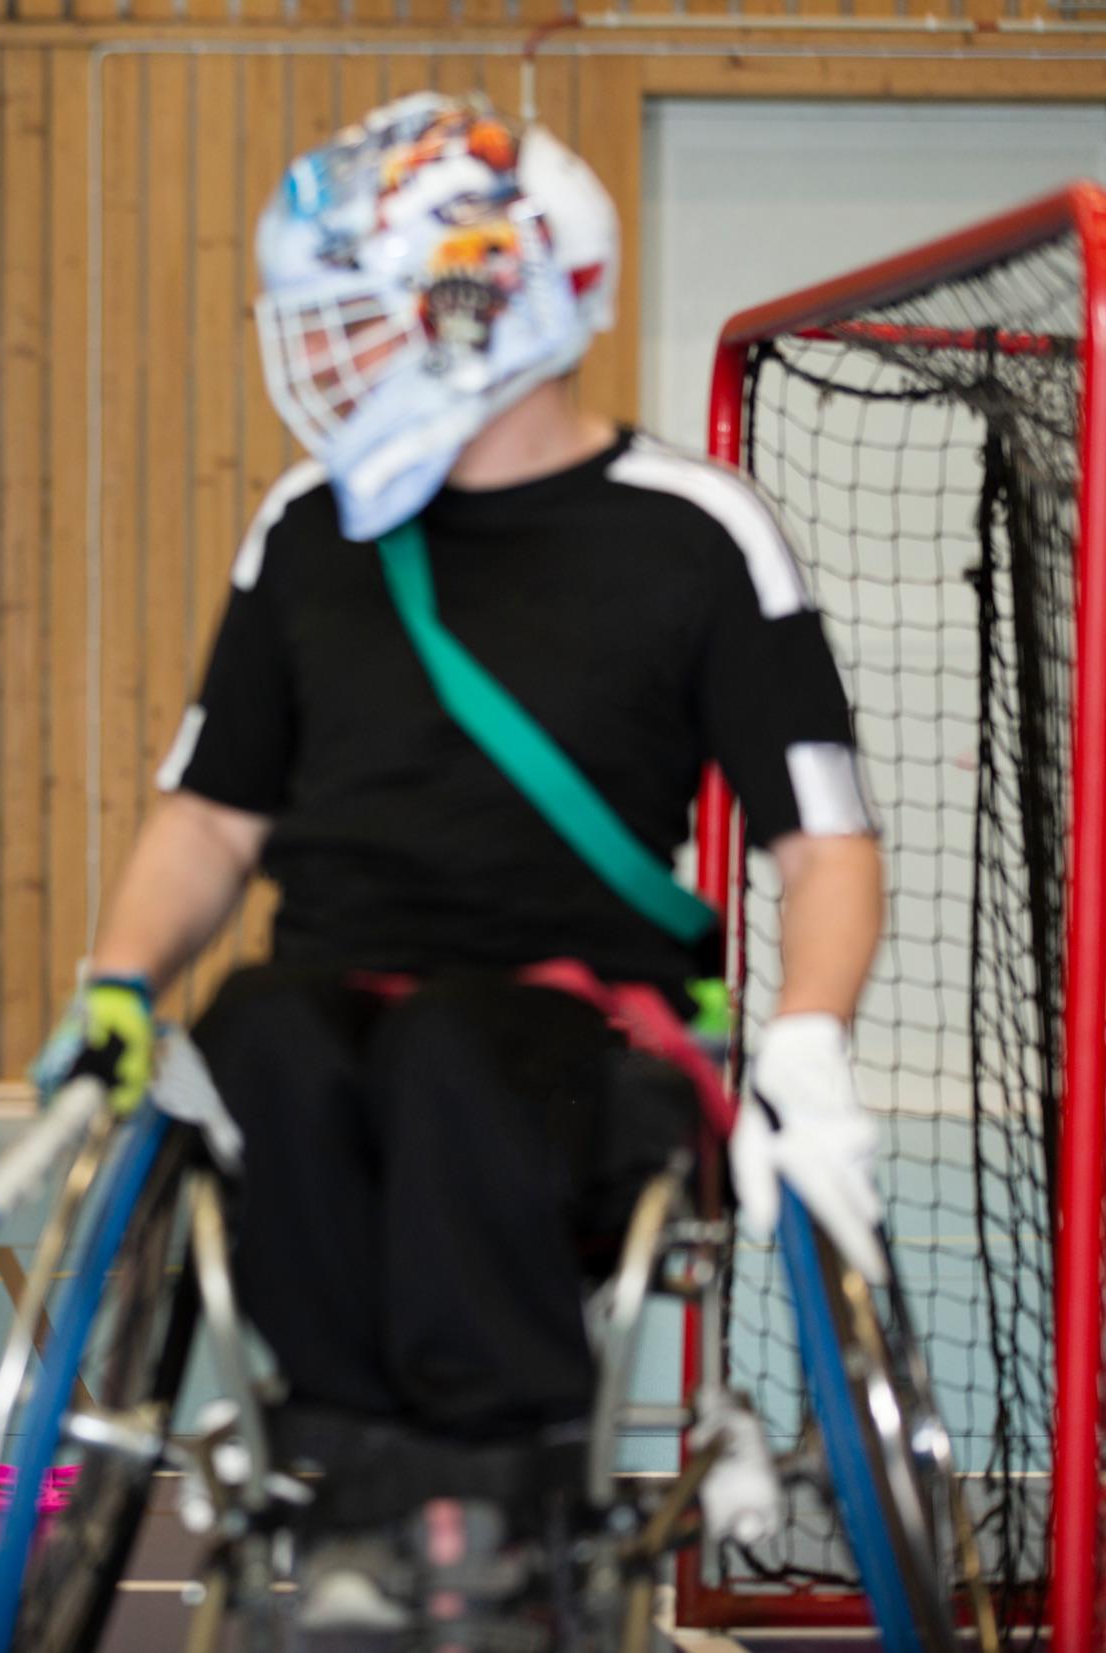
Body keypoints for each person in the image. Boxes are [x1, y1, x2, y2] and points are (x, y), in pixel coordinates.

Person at [48, 93, 887, 1630]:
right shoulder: (307, 529)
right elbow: (211, 818)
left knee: (453, 1053)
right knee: (256, 1039)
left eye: (362, 321)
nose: (334, 359)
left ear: (485, 307)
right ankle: (362, 1485)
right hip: (336, 990)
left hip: (587, 1022)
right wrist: (116, 980)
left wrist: (815, 1041)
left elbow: (820, 836)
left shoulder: (697, 533)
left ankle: (490, 1491)